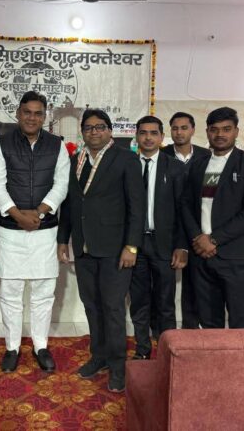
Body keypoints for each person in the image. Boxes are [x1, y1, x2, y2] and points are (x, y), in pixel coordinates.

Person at [57, 109, 144, 393]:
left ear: (109, 130)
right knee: (92, 305)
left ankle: (118, 365)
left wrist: (131, 246)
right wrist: (63, 239)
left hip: (115, 248)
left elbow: (137, 206)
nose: (94, 132)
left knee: (113, 307)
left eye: (100, 127)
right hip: (84, 247)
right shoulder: (76, 160)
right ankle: (99, 356)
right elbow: (70, 204)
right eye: (88, 128)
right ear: (82, 132)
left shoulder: (126, 159)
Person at [0, 91, 69, 374]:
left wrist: (39, 212)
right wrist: (18, 216)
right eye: (27, 112)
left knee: (43, 293)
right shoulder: (1, 144)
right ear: (18, 113)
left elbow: (61, 185)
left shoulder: (57, 145)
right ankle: (12, 347)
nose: (32, 118)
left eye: (38, 113)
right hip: (10, 230)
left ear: (45, 116)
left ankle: (40, 346)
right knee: (10, 292)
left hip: (44, 230)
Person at [180, 107, 244, 329]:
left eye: (226, 129)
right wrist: (198, 238)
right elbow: (187, 204)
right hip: (201, 253)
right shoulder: (199, 164)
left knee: (240, 318)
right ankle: (214, 354)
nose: (220, 134)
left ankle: (242, 354)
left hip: (235, 254)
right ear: (207, 132)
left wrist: (214, 239)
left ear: (236, 131)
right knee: (209, 319)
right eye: (214, 129)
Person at [129, 116, 188, 360]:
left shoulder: (175, 167)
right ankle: (142, 349)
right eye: (143, 133)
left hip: (164, 244)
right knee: (139, 300)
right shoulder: (128, 165)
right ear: (136, 136)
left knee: (165, 301)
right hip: (134, 244)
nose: (148, 138)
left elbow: (184, 210)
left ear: (162, 137)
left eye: (154, 133)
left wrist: (182, 246)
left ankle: (167, 352)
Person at [162, 111, 209, 328]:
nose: (179, 132)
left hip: (197, 227)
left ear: (193, 130)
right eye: (175, 128)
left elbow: (209, 192)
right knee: (163, 287)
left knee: (195, 284)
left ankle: (191, 328)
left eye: (184, 128)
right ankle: (163, 331)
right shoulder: (161, 155)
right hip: (168, 226)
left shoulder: (206, 156)